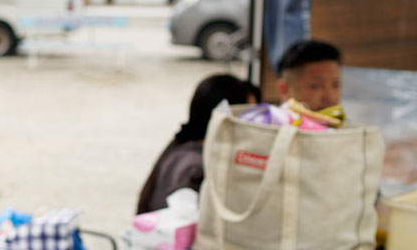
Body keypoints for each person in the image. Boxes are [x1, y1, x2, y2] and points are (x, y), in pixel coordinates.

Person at [136, 74, 260, 214]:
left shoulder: (184, 145)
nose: (255, 125)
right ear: (223, 118)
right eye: (249, 117)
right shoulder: (194, 167)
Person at [276, 38, 343, 117]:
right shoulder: (268, 126)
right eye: (316, 86)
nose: (331, 97)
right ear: (284, 89)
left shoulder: (351, 128)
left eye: (336, 85)